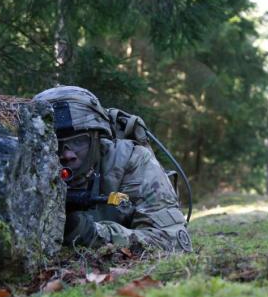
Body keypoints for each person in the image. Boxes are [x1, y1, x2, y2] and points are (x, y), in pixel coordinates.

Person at [33, 86, 192, 252]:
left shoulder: (130, 160)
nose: (67, 155)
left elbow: (175, 241)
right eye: (56, 144)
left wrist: (95, 235)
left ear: (97, 138)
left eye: (78, 142)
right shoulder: (26, 168)